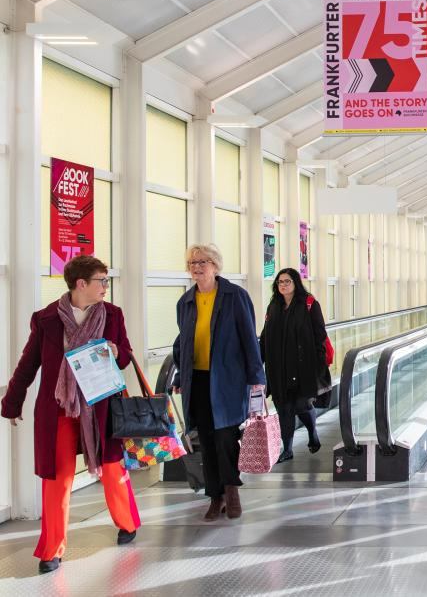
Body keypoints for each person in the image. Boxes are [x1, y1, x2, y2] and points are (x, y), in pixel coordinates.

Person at [1, 255, 142, 574]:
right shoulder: (46, 319)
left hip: (101, 407)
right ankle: (51, 550)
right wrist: (12, 402)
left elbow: (125, 356)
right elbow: (28, 363)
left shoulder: (112, 314)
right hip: (59, 409)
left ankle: (127, 522)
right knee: (57, 479)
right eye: (101, 281)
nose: (105, 286)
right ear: (81, 284)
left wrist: (117, 352)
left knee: (112, 469)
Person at [171, 244, 265, 521]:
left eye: (203, 262)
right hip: (197, 380)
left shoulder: (235, 296)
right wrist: (180, 376)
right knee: (206, 439)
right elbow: (182, 343)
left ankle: (231, 489)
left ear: (215, 265)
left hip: (227, 380)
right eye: (192, 263)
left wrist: (257, 378)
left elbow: (249, 338)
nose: (197, 267)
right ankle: (215, 496)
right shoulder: (185, 302)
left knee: (225, 437)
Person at [260, 268, 328, 463]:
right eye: (280, 282)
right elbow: (265, 335)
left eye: (287, 281)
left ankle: (312, 432)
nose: (283, 285)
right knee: (283, 408)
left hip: (302, 366)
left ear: (295, 282)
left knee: (301, 405)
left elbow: (320, 335)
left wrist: (318, 364)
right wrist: (258, 361)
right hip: (277, 367)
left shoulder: (309, 303)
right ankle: (287, 449)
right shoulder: (274, 305)